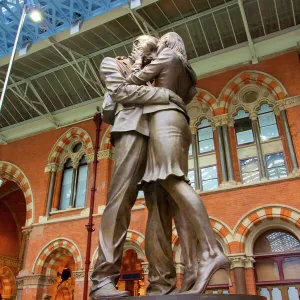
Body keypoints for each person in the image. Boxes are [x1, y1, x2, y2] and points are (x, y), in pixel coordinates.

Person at [90, 35, 193, 299]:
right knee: (120, 199)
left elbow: (187, 90)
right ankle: (103, 280)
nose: (149, 51)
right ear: (134, 46)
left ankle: (162, 284)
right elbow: (121, 92)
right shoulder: (113, 63)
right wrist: (165, 95)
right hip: (132, 129)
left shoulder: (159, 66)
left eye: (154, 47)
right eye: (145, 46)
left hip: (161, 133)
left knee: (161, 207)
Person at [127, 32, 230, 295]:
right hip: (181, 122)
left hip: (164, 122)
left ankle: (210, 251)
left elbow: (132, 83)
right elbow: (188, 94)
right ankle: (194, 266)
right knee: (174, 192)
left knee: (172, 181)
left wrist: (140, 60)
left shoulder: (165, 56)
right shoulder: (186, 70)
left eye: (160, 41)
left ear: (167, 43)